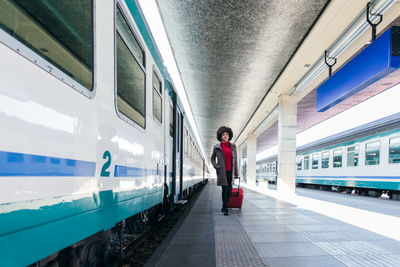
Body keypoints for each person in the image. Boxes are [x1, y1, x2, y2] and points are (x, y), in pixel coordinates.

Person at [210, 126, 239, 216]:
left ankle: (225, 205)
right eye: (223, 134)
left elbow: (235, 160)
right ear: (220, 136)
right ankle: (225, 207)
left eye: (227, 134)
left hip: (230, 171)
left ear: (229, 135)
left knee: (229, 190)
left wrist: (236, 173)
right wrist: (215, 165)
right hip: (222, 171)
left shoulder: (233, 146)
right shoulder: (217, 147)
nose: (225, 136)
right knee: (225, 189)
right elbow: (212, 158)